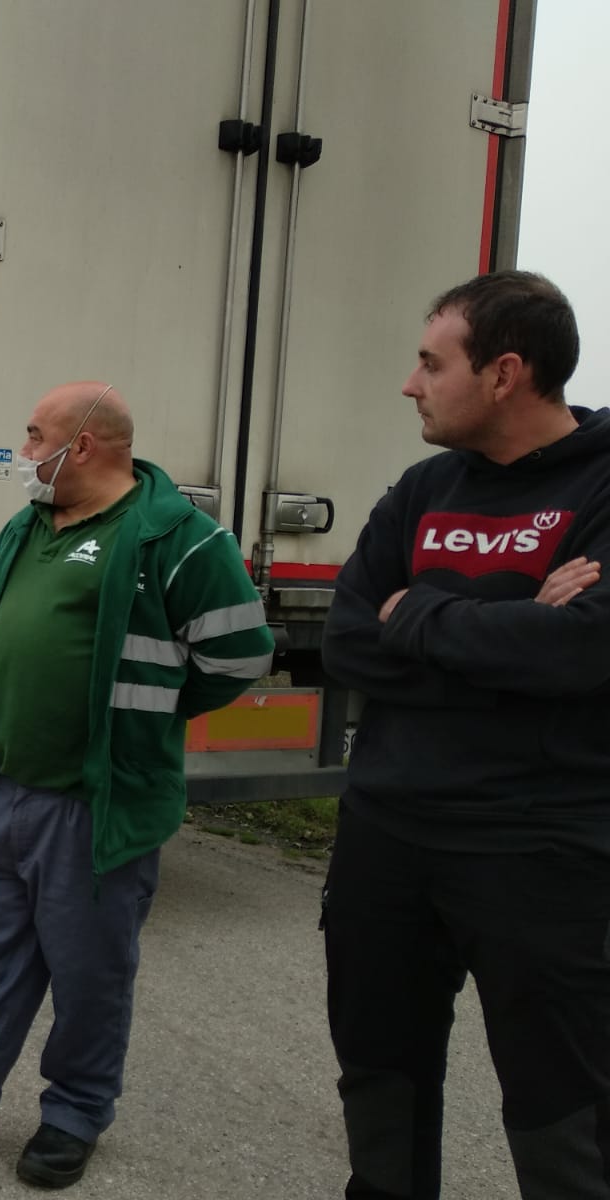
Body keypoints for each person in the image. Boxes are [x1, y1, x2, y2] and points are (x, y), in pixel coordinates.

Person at [0, 381, 273, 1188]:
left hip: (96, 805)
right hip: (5, 789)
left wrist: (146, 720)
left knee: (89, 978)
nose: (24, 453)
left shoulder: (177, 539)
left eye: (34, 436)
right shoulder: (27, 526)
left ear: (83, 445)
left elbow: (239, 655)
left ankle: (74, 1115)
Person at [320, 270, 610, 1199]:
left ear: (505, 373)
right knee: (378, 1064)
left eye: (429, 362)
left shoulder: (601, 485)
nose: (411, 384)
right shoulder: (424, 487)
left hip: (541, 847)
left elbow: (586, 655)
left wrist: (422, 614)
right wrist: (512, 628)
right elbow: (346, 639)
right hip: (387, 836)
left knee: (561, 1095)